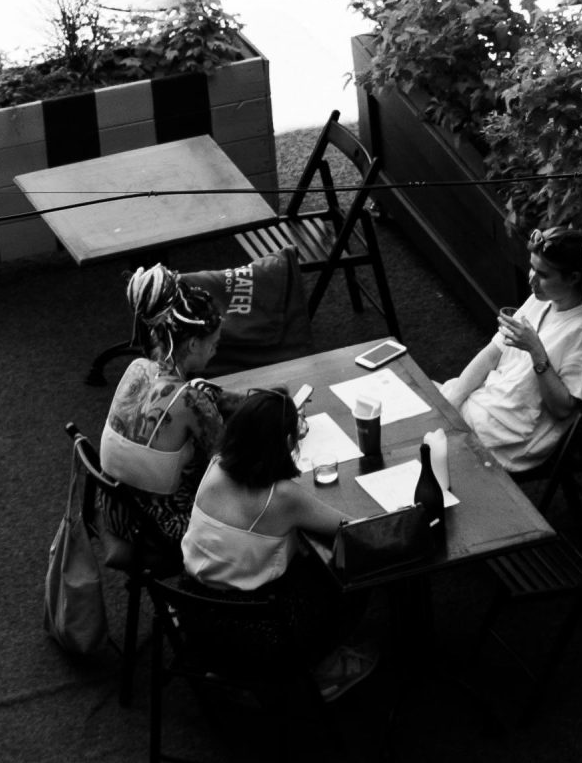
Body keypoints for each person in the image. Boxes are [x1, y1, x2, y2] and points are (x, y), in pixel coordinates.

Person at [181, 388, 377, 698]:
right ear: (286, 443)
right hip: (257, 633)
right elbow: (353, 530)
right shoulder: (283, 497)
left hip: (194, 615)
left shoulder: (216, 464)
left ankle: (228, 673)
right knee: (352, 569)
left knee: (297, 551)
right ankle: (321, 668)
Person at [441, 228, 582, 478]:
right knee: (422, 407)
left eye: (543, 274)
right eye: (532, 267)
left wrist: (536, 351)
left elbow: (563, 410)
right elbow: (492, 353)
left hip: (507, 437)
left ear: (573, 278)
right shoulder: (541, 299)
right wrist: (452, 404)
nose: (531, 279)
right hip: (482, 406)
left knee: (424, 444)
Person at [102, 264, 226, 503]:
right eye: (214, 344)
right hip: (158, 519)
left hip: (112, 502)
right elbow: (228, 460)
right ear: (192, 345)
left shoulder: (137, 367)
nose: (215, 351)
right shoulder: (191, 399)